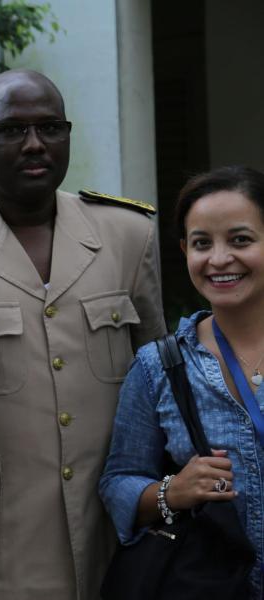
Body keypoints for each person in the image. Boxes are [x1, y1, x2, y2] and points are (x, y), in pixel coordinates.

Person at [0, 69, 166, 599]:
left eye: (49, 127)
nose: (35, 143)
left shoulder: (128, 235)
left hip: (116, 532)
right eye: (12, 130)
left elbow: (159, 386)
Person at [100, 165, 264, 598]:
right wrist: (172, 491)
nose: (219, 258)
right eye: (201, 243)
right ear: (184, 251)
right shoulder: (160, 366)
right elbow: (119, 482)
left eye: (241, 240)